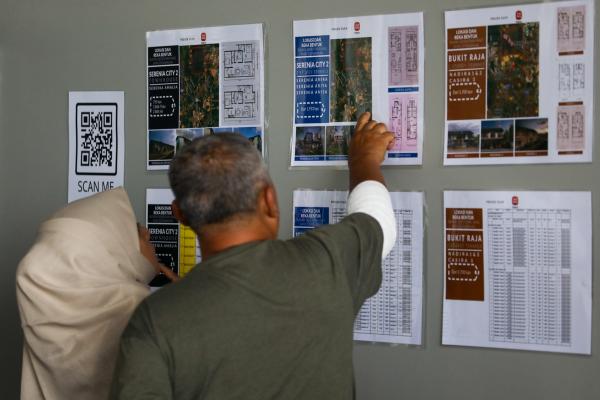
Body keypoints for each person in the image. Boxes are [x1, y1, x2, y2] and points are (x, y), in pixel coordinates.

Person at [111, 112, 397, 399]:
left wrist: (183, 302)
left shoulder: (155, 320)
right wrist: (364, 159)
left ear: (180, 214)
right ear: (270, 200)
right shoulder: (326, 262)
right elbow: (378, 220)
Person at [16, 187, 177, 400]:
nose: (146, 232)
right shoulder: (147, 315)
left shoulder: (43, 320)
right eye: (134, 229)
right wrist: (188, 301)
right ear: (105, 251)